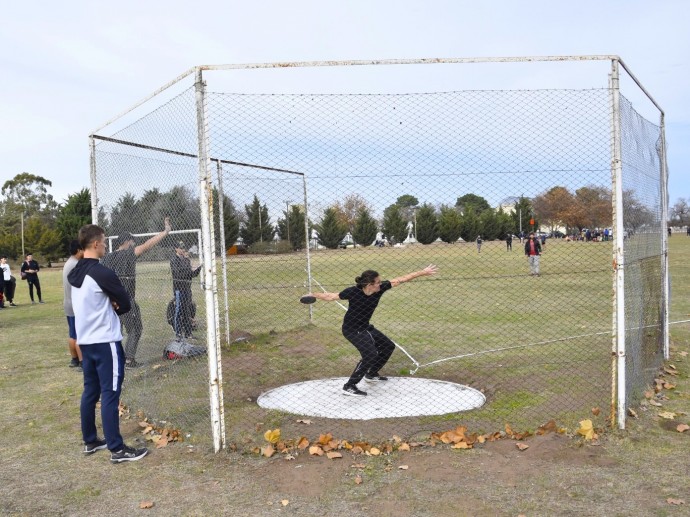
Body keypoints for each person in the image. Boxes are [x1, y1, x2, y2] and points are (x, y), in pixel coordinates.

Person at [68, 224, 148, 463]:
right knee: (110, 394)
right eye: (103, 242)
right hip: (105, 342)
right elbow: (125, 303)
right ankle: (117, 448)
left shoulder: (74, 271)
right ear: (95, 244)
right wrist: (115, 305)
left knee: (90, 391)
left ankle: (91, 440)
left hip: (86, 342)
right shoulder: (102, 273)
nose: (105, 246)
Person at [303, 264, 438, 396]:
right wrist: (313, 294)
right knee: (370, 354)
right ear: (369, 285)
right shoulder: (352, 292)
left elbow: (401, 279)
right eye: (378, 282)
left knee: (388, 346)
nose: (381, 284)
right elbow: (331, 296)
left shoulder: (380, 289)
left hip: (365, 327)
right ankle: (349, 386)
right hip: (351, 329)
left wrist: (423, 272)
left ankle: (371, 373)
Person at [102, 218, 171, 368]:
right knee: (135, 329)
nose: (134, 244)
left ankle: (114, 359)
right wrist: (165, 232)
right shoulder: (128, 254)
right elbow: (147, 245)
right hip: (126, 300)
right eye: (133, 242)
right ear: (127, 242)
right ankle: (128, 360)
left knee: (116, 332)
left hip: (111, 302)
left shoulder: (106, 258)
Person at [169, 241, 201, 340]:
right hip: (179, 289)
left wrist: (198, 268)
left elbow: (192, 274)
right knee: (179, 311)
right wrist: (189, 270)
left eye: (184, 248)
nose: (183, 250)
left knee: (187, 311)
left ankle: (188, 333)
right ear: (176, 249)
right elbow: (178, 274)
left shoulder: (186, 260)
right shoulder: (174, 260)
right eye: (180, 248)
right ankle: (178, 334)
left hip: (187, 288)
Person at [63, 240, 84, 369]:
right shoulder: (75, 264)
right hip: (74, 305)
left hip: (68, 303)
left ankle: (74, 359)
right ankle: (82, 362)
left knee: (72, 334)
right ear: (78, 250)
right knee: (78, 335)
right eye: (82, 249)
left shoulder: (69, 262)